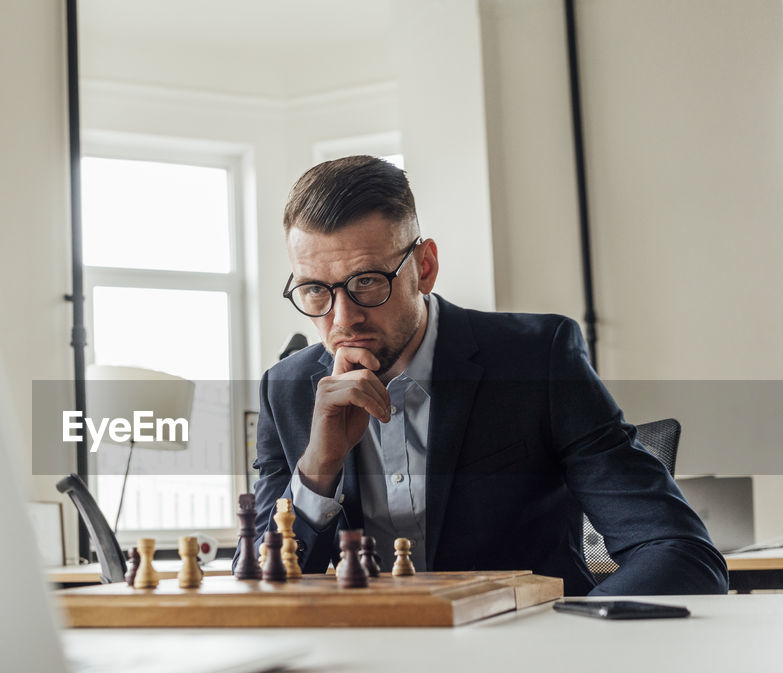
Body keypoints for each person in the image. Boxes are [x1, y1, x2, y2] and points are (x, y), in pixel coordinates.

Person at [244, 155, 726, 596]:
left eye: (367, 281)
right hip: (363, 669)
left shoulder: (538, 360)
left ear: (424, 268)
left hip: (525, 665)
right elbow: (269, 588)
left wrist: (574, 638)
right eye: (314, 291)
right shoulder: (285, 392)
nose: (343, 318)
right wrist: (318, 468)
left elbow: (678, 551)